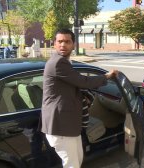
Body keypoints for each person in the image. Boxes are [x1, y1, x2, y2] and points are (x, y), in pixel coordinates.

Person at [40, 29, 118, 168]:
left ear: (73, 44)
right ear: (54, 44)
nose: (63, 45)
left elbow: (73, 84)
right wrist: (106, 76)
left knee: (77, 160)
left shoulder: (63, 61)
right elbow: (83, 81)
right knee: (72, 165)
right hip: (60, 125)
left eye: (67, 41)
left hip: (68, 125)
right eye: (60, 41)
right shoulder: (58, 62)